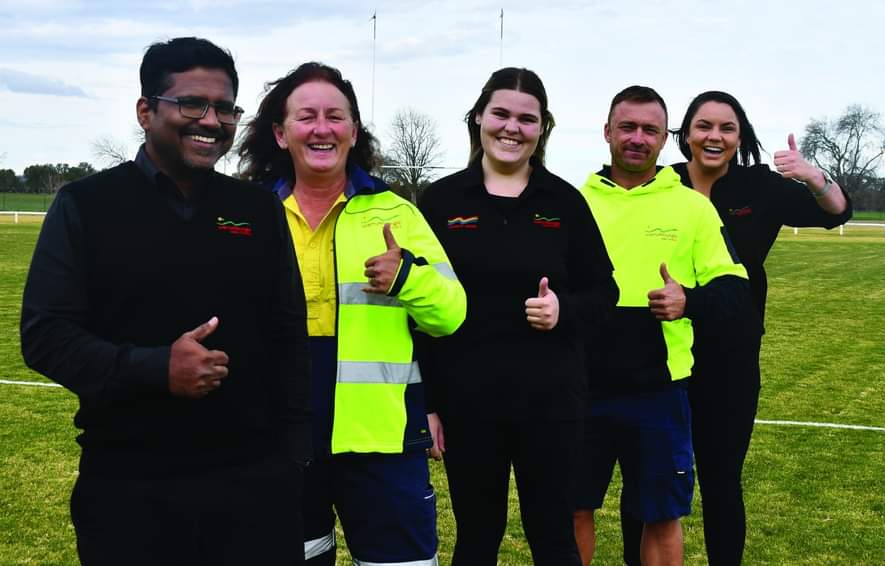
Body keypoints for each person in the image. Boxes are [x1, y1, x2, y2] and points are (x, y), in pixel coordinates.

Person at [20, 37, 310, 565]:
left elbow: (289, 332)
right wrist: (156, 368)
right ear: (146, 111)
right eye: (192, 103)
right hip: (131, 486)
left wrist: (293, 457)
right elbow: (44, 335)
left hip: (254, 487)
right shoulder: (86, 205)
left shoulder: (256, 210)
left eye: (225, 108)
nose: (211, 120)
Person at [236, 62, 465, 566]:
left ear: (353, 131)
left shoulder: (398, 213)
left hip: (382, 440)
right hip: (278, 437)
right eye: (307, 116)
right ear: (280, 132)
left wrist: (408, 277)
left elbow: (451, 314)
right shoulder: (248, 215)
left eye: (336, 116)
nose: (322, 128)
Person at [621, 91, 852, 565]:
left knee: (722, 480)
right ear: (684, 135)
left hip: (730, 355)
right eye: (704, 126)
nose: (714, 136)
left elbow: (837, 212)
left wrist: (812, 176)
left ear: (740, 136)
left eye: (727, 128)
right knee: (648, 480)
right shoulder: (659, 184)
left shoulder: (760, 187)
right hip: (660, 353)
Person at [418, 67, 617, 566]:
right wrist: (428, 402)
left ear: (543, 128)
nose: (512, 127)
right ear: (479, 118)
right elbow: (417, 307)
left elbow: (605, 292)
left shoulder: (565, 203)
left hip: (550, 403)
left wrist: (562, 309)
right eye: (501, 114)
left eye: (527, 119)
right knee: (477, 537)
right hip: (468, 404)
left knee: (553, 538)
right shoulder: (441, 201)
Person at [572, 85, 758, 566]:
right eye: (627, 127)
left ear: (664, 138)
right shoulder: (572, 201)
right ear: (607, 131)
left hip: (659, 390)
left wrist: (688, 300)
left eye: (649, 130)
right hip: (578, 385)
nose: (637, 138)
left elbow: (735, 289)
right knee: (572, 509)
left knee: (661, 516)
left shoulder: (692, 207)